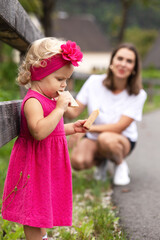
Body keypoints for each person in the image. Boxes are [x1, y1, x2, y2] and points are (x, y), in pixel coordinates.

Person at [1, 37, 86, 240]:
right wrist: (59, 109)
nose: (64, 85)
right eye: (59, 79)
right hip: (33, 164)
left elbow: (52, 130)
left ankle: (43, 237)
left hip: (46, 163)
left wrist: (71, 128)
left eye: (67, 79)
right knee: (32, 211)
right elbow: (39, 131)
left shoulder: (48, 99)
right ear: (40, 73)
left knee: (42, 206)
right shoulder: (33, 101)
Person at [65, 42, 147, 186]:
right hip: (94, 137)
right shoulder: (94, 82)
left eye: (129, 61)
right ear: (112, 62)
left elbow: (118, 128)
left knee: (106, 140)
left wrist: (84, 129)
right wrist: (58, 99)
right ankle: (101, 162)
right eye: (120, 58)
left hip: (121, 139)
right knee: (78, 161)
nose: (123, 64)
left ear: (134, 68)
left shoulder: (138, 94)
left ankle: (119, 163)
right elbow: (73, 112)